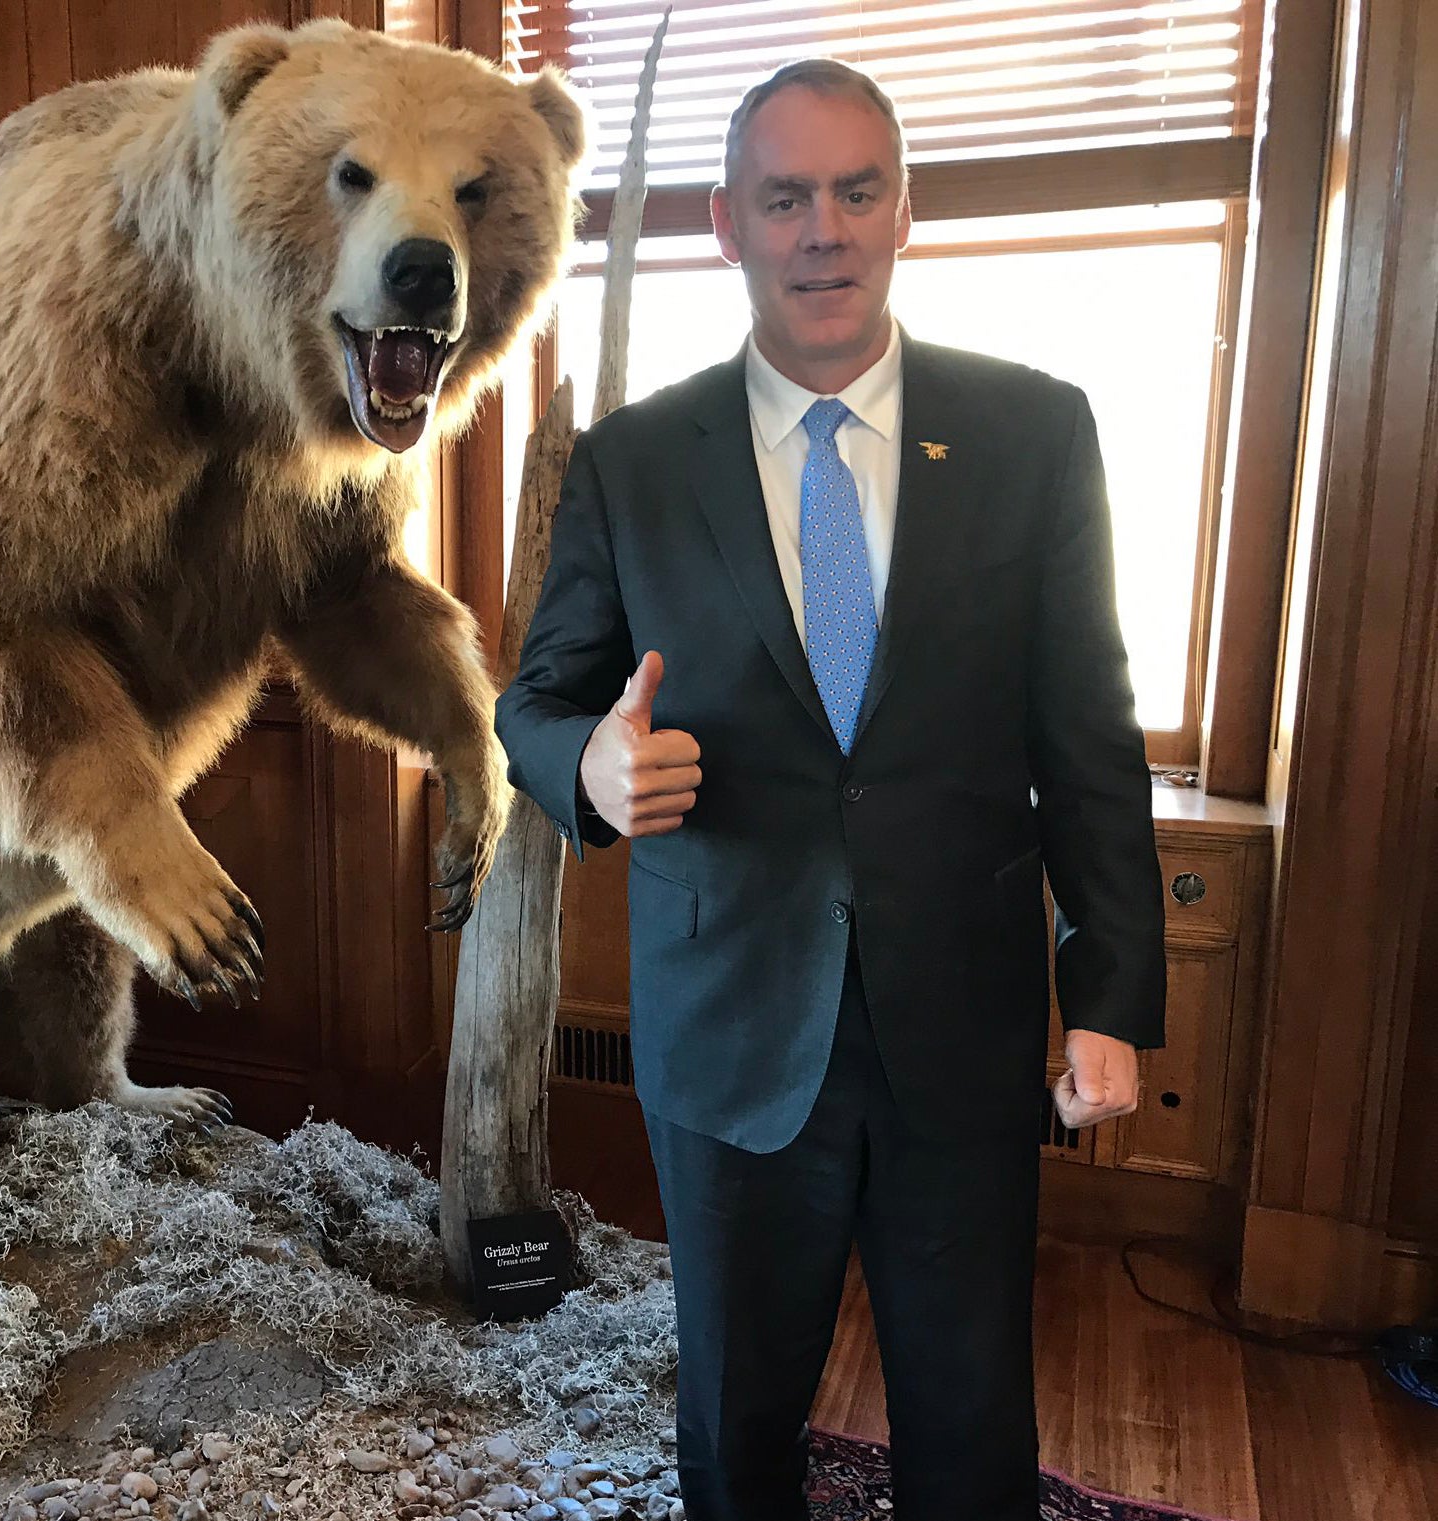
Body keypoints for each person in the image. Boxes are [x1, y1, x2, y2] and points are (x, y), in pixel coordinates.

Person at [494, 59, 1167, 1521]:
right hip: (730, 1034)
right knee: (737, 1425)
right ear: (727, 225)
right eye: (785, 197)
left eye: (858, 191)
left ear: (906, 211)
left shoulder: (1034, 436)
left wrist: (1108, 988)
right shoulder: (629, 465)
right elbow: (533, 706)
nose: (825, 229)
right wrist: (589, 769)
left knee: (970, 1412)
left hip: (964, 1032)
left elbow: (1091, 739)